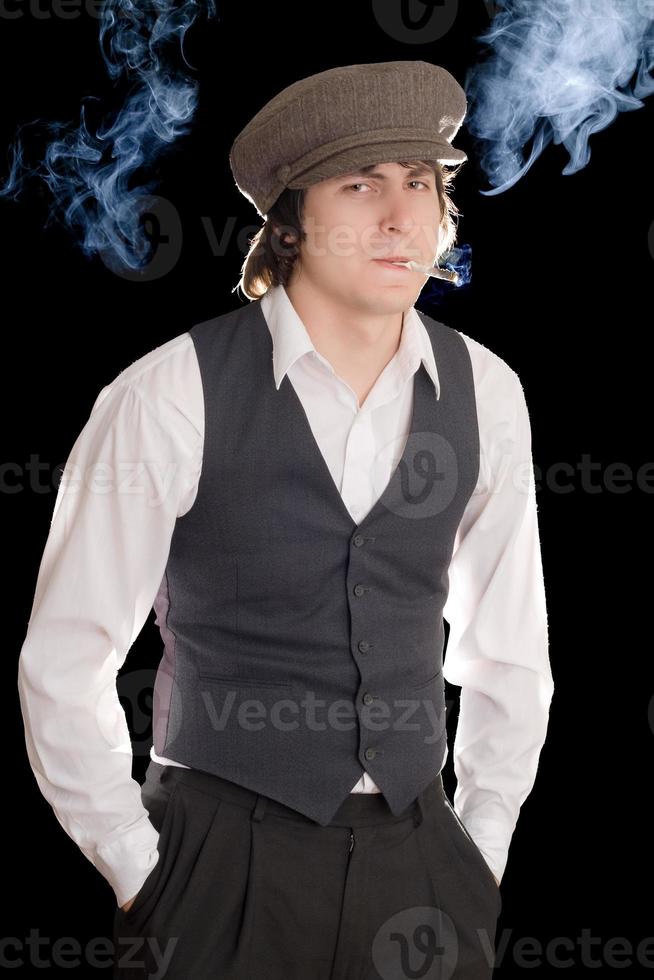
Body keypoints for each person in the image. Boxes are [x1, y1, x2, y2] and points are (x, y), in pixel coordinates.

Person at [17, 60, 554, 979]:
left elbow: (511, 653)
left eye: (420, 184)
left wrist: (481, 851)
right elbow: (64, 662)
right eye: (361, 185)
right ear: (293, 220)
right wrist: (143, 873)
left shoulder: (488, 392)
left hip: (423, 865)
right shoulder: (169, 393)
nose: (400, 217)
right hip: (218, 866)